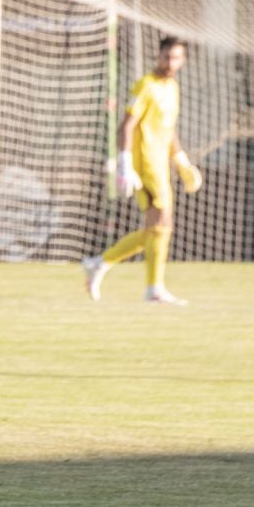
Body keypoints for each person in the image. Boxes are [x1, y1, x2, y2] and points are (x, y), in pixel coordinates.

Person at [83, 36, 196, 306]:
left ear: (183, 60)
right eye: (167, 56)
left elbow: (168, 129)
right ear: (158, 56)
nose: (170, 62)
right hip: (145, 165)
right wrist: (124, 162)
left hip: (161, 165)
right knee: (161, 222)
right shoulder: (145, 85)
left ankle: (101, 263)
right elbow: (126, 125)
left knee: (158, 227)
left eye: (176, 57)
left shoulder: (172, 87)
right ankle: (152, 288)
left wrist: (181, 160)